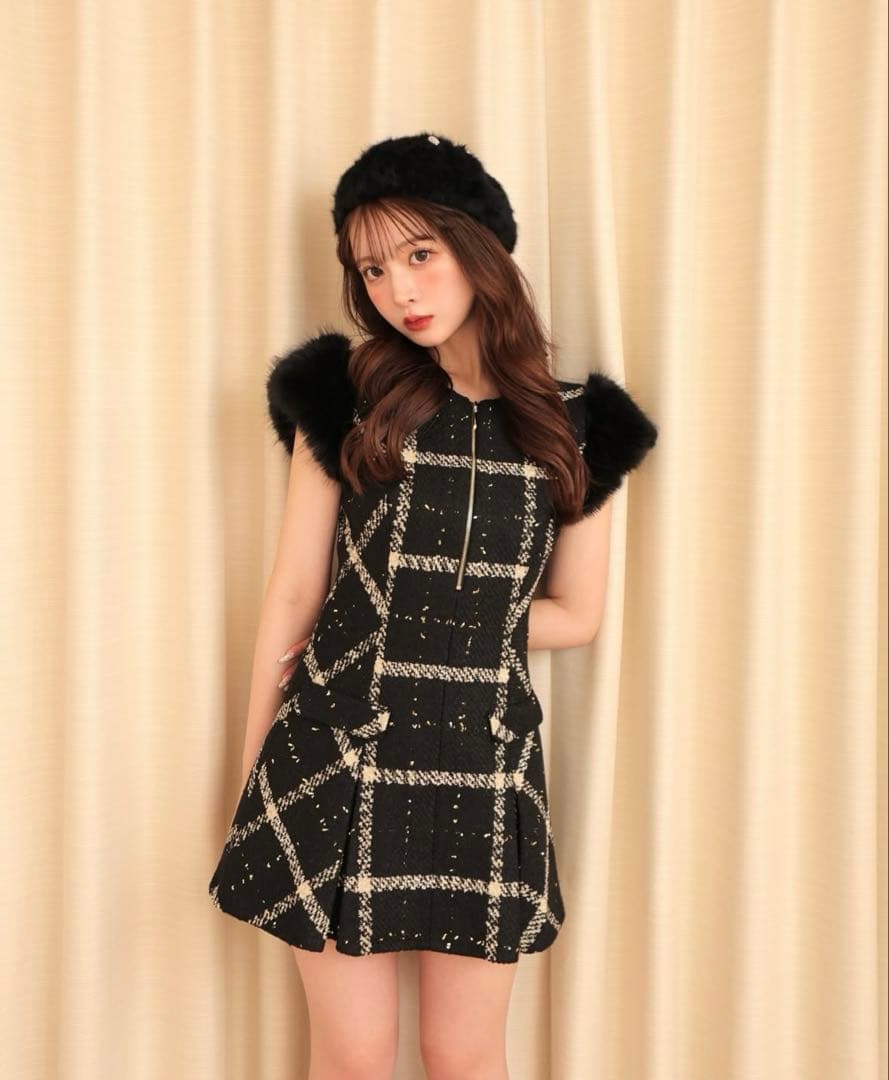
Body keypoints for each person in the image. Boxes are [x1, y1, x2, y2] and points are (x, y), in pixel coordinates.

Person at [208, 132, 658, 1079]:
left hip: (481, 756)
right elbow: (295, 592)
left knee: (463, 1054)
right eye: (372, 269)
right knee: (354, 1056)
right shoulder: (348, 395)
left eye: (420, 255)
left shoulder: (578, 427)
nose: (398, 291)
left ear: (478, 248)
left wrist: (437, 620)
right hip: (337, 747)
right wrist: (253, 770)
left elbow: (575, 614)